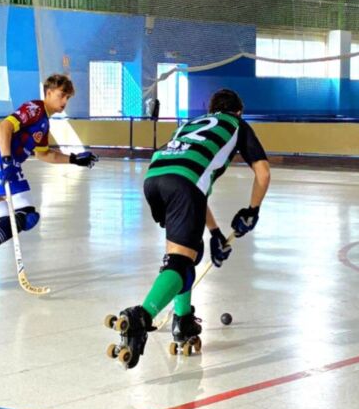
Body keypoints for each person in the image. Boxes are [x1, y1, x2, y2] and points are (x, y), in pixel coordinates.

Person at [105, 88, 271, 370]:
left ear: (211, 110)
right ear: (239, 112)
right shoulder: (237, 125)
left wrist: (215, 233)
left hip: (155, 178)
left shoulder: (191, 124)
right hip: (184, 183)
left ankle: (182, 320)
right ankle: (141, 316)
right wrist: (252, 211)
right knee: (181, 261)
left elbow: (197, 191)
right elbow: (263, 173)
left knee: (185, 256)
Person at [0, 73, 98, 286]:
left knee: (6, 220)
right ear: (48, 92)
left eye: (67, 97)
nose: (64, 101)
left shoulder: (43, 123)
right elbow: (4, 127)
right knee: (26, 215)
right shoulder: (35, 109)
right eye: (61, 95)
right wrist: (7, 160)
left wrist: (74, 159)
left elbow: (44, 154)